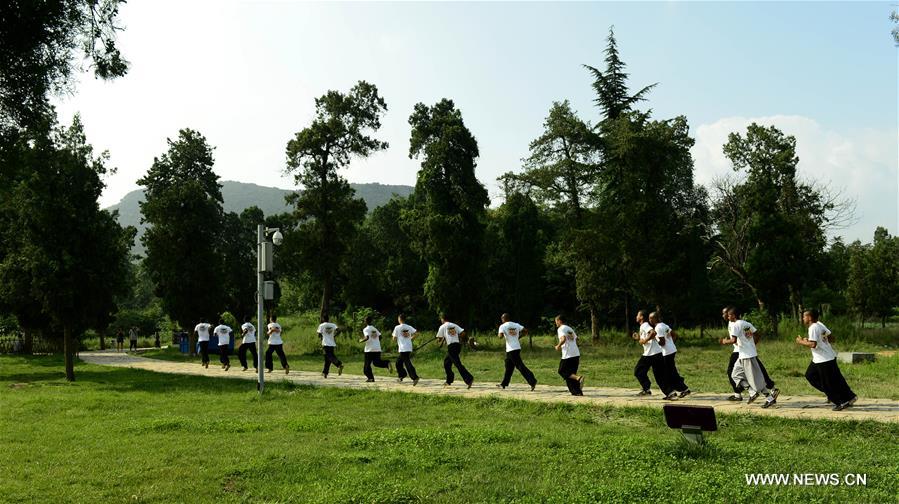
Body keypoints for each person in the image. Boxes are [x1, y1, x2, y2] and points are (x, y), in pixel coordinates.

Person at [796, 309, 857, 411]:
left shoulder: (813, 327)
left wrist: (801, 341)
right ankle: (850, 397)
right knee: (812, 375)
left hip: (823, 360)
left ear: (809, 318)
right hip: (826, 357)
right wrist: (819, 340)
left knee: (827, 383)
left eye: (804, 316)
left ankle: (840, 402)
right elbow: (831, 338)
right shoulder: (819, 324)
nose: (802, 319)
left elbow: (813, 344)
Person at [721, 307, 778, 408]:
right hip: (743, 355)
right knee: (735, 375)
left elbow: (733, 340)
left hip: (747, 356)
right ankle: (752, 393)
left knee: (755, 380)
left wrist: (724, 341)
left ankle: (770, 399)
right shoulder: (746, 324)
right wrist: (751, 345)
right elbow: (751, 336)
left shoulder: (735, 325)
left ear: (733, 315)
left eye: (729, 315)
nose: (727, 316)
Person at [649, 312, 690, 400]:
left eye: (650, 318)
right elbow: (675, 335)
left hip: (666, 353)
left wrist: (655, 339)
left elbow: (662, 342)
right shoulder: (664, 325)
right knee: (671, 371)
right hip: (671, 350)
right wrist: (670, 344)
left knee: (669, 372)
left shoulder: (658, 328)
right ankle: (682, 388)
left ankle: (681, 389)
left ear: (655, 319)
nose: (649, 320)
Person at [497, 313, 537, 391]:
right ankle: (504, 384)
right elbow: (525, 331)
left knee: (520, 366)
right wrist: (519, 336)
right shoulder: (516, 325)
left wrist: (500, 334)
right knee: (508, 367)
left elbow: (500, 336)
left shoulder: (502, 326)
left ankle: (532, 381)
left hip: (511, 349)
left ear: (503, 319)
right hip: (516, 348)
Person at [632, 310, 668, 397]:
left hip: (651, 354)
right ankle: (670, 392)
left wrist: (645, 340)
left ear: (641, 317)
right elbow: (645, 340)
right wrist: (639, 338)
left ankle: (647, 389)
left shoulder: (644, 325)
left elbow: (653, 332)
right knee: (659, 375)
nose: (636, 317)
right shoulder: (643, 326)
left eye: (638, 315)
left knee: (638, 371)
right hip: (654, 353)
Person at [436, 315, 474, 388]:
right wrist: (465, 340)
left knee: (457, 364)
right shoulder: (454, 325)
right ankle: (449, 381)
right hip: (457, 345)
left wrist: (438, 339)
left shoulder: (442, 326)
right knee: (447, 363)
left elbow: (439, 339)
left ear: (442, 319)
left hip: (451, 347)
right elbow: (463, 333)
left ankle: (469, 379)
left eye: (441, 319)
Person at [554, 315, 584, 396]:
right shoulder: (569, 328)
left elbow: (563, 339)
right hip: (576, 354)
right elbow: (577, 339)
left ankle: (579, 378)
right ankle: (577, 392)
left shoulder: (561, 328)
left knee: (561, 371)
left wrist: (558, 346)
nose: (555, 323)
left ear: (560, 321)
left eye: (556, 321)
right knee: (571, 374)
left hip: (568, 355)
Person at [359, 315, 392, 382]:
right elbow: (380, 337)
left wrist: (361, 340)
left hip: (369, 350)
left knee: (366, 366)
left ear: (365, 322)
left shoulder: (365, 329)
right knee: (377, 363)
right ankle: (387, 363)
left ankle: (370, 378)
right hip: (377, 348)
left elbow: (367, 337)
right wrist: (375, 342)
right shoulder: (374, 329)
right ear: (371, 321)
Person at [392, 314, 419, 385]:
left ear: (399, 319)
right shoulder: (409, 327)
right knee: (398, 362)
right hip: (408, 347)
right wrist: (411, 338)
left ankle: (414, 377)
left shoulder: (397, 327)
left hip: (403, 348)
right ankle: (402, 375)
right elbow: (416, 333)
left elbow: (394, 338)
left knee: (407, 363)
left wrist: (395, 338)